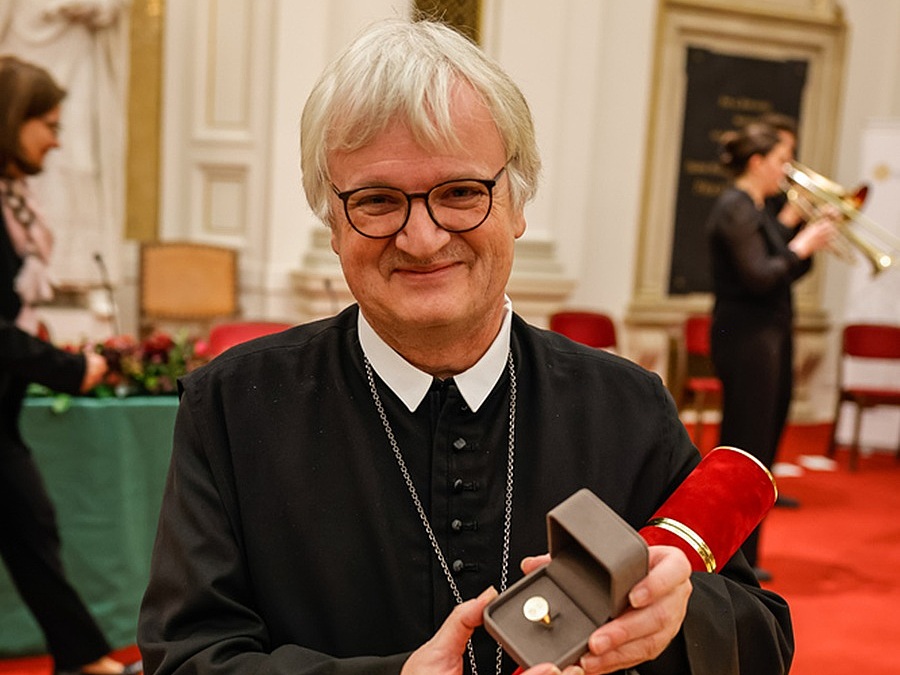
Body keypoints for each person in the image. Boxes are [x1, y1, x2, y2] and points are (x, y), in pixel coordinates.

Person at [138, 19, 794, 675]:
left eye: (460, 192)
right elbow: (190, 657)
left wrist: (673, 622)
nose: (422, 238)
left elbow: (763, 633)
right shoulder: (233, 407)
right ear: (332, 222)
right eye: (376, 200)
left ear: (518, 203)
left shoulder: (626, 405)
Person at [0, 55, 139, 675]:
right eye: (49, 126)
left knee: (31, 527)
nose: (56, 141)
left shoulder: (11, 200)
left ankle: (82, 659)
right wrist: (67, 369)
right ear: (12, 120)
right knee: (30, 526)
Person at [707, 119, 836, 581]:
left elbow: (786, 269)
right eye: (782, 160)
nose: (788, 170)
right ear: (758, 162)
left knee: (763, 444)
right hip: (745, 337)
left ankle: (746, 552)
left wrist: (801, 236)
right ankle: (733, 557)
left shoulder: (759, 208)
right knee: (746, 448)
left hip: (768, 334)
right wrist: (801, 244)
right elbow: (760, 275)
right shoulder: (735, 207)